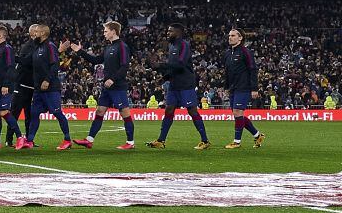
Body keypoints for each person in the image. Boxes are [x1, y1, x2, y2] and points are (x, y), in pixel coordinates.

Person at [65, 21, 135, 150]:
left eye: (106, 31)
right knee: (100, 111)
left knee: (125, 113)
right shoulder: (108, 47)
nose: (104, 33)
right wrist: (80, 51)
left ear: (113, 31)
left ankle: (130, 142)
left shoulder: (122, 46)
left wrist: (113, 79)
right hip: (107, 87)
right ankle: (89, 140)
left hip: (117, 86)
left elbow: (125, 66)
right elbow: (96, 60)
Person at [147, 23, 211, 151]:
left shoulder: (184, 45)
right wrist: (164, 78)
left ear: (178, 32)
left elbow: (180, 65)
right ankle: (161, 140)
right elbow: (173, 66)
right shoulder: (171, 46)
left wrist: (160, 65)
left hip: (186, 84)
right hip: (174, 84)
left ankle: (205, 141)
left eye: (170, 31)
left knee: (192, 111)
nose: (168, 33)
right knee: (169, 110)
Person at [21, 24, 73, 151]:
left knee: (57, 113)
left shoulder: (50, 46)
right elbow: (26, 61)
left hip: (51, 88)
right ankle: (30, 140)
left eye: (37, 32)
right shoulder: (37, 47)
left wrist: (47, 80)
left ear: (43, 33)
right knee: (34, 113)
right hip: (38, 89)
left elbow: (55, 65)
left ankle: (67, 140)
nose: (35, 34)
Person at [223, 28, 265, 150]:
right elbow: (227, 72)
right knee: (238, 114)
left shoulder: (246, 52)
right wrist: (226, 86)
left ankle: (237, 142)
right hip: (233, 88)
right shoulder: (227, 53)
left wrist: (254, 88)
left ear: (240, 38)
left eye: (233, 35)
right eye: (229, 35)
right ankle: (257, 135)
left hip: (244, 87)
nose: (230, 37)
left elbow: (252, 69)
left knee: (237, 112)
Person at [5, 24, 40, 147]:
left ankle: (29, 140)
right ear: (33, 33)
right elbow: (25, 62)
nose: (40, 33)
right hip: (21, 85)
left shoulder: (39, 46)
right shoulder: (27, 46)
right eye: (37, 31)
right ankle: (9, 139)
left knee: (30, 116)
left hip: (32, 86)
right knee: (15, 113)